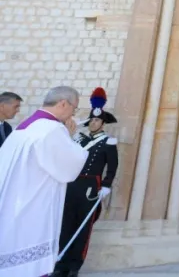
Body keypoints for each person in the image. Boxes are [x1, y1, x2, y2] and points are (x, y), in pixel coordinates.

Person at [0, 86, 89, 277]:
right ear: (63, 103)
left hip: (14, 201)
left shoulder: (26, 126)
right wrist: (72, 138)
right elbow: (70, 168)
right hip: (34, 205)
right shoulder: (52, 129)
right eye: (75, 108)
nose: (74, 113)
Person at [52, 87, 119, 277]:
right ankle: (61, 264)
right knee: (65, 225)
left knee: (83, 228)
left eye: (97, 120)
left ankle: (75, 266)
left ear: (103, 123)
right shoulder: (79, 139)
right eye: (91, 120)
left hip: (91, 188)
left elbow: (112, 167)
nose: (93, 123)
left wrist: (106, 185)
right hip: (73, 185)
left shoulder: (108, 142)